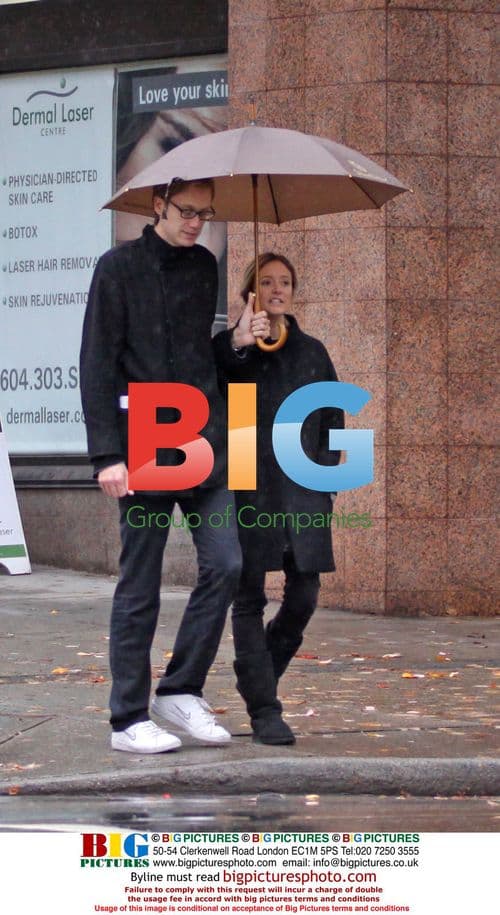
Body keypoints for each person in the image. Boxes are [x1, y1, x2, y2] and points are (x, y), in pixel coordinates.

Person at [79, 178, 245, 754]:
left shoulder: (204, 267)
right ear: (158, 207)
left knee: (227, 563)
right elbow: (97, 360)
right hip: (144, 439)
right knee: (140, 581)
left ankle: (179, 689)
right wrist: (108, 454)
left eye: (206, 213)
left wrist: (237, 341)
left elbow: (202, 354)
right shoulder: (117, 267)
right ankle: (127, 718)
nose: (197, 222)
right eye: (186, 211)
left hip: (202, 437)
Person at [213, 253, 344, 746]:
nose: (276, 289)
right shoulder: (233, 350)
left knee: (304, 597)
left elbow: (333, 421)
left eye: (284, 282)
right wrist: (240, 345)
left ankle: (256, 675)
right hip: (248, 484)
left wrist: (326, 482)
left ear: (293, 291)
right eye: (266, 282)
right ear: (251, 291)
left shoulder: (312, 351)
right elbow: (212, 387)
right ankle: (266, 710)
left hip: (304, 491)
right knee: (247, 600)